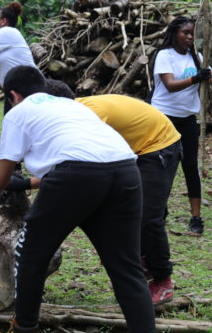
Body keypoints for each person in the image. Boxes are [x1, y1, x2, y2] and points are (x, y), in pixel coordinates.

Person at [0, 66, 155, 333]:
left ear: (13, 95)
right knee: (126, 267)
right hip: (125, 170)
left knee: (30, 254)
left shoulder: (19, 112)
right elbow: (84, 155)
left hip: (77, 176)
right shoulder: (70, 105)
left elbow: (1, 177)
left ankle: (23, 328)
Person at [46, 79, 181, 305]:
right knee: (125, 209)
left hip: (158, 142)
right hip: (131, 150)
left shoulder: (88, 115)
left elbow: (83, 163)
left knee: (149, 218)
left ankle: (162, 280)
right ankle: (142, 259)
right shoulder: (73, 114)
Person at [148, 16, 212, 235]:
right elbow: (170, 85)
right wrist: (195, 79)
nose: (190, 37)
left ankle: (196, 218)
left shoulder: (196, 56)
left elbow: (211, 77)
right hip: (164, 117)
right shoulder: (165, 55)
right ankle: (159, 210)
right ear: (175, 33)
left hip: (187, 119)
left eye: (193, 33)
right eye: (186, 33)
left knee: (190, 166)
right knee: (163, 166)